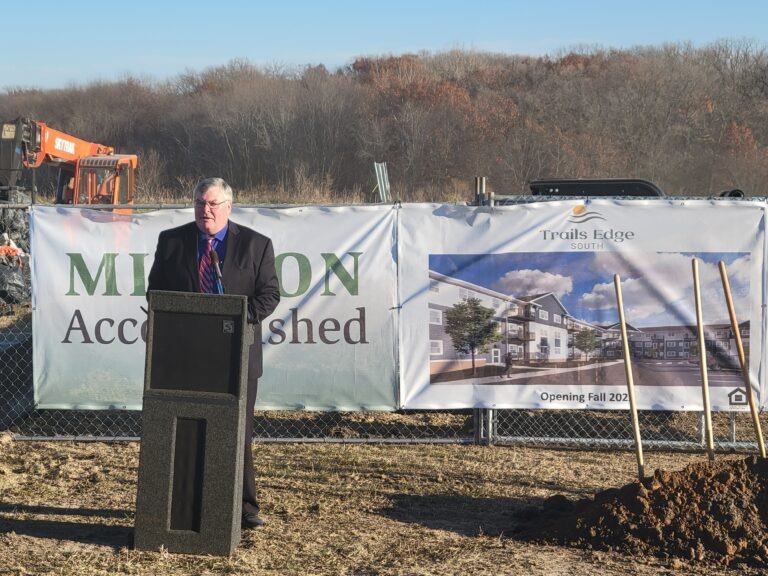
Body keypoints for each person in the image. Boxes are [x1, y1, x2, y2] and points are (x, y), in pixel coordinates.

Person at [147, 177, 280, 529]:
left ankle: (245, 509)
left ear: (228, 207)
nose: (205, 210)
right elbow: (155, 293)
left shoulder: (256, 245)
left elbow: (269, 296)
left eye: (212, 204)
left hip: (237, 358)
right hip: (186, 359)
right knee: (189, 428)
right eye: (199, 203)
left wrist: (234, 318)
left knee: (238, 433)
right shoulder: (172, 241)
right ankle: (188, 504)